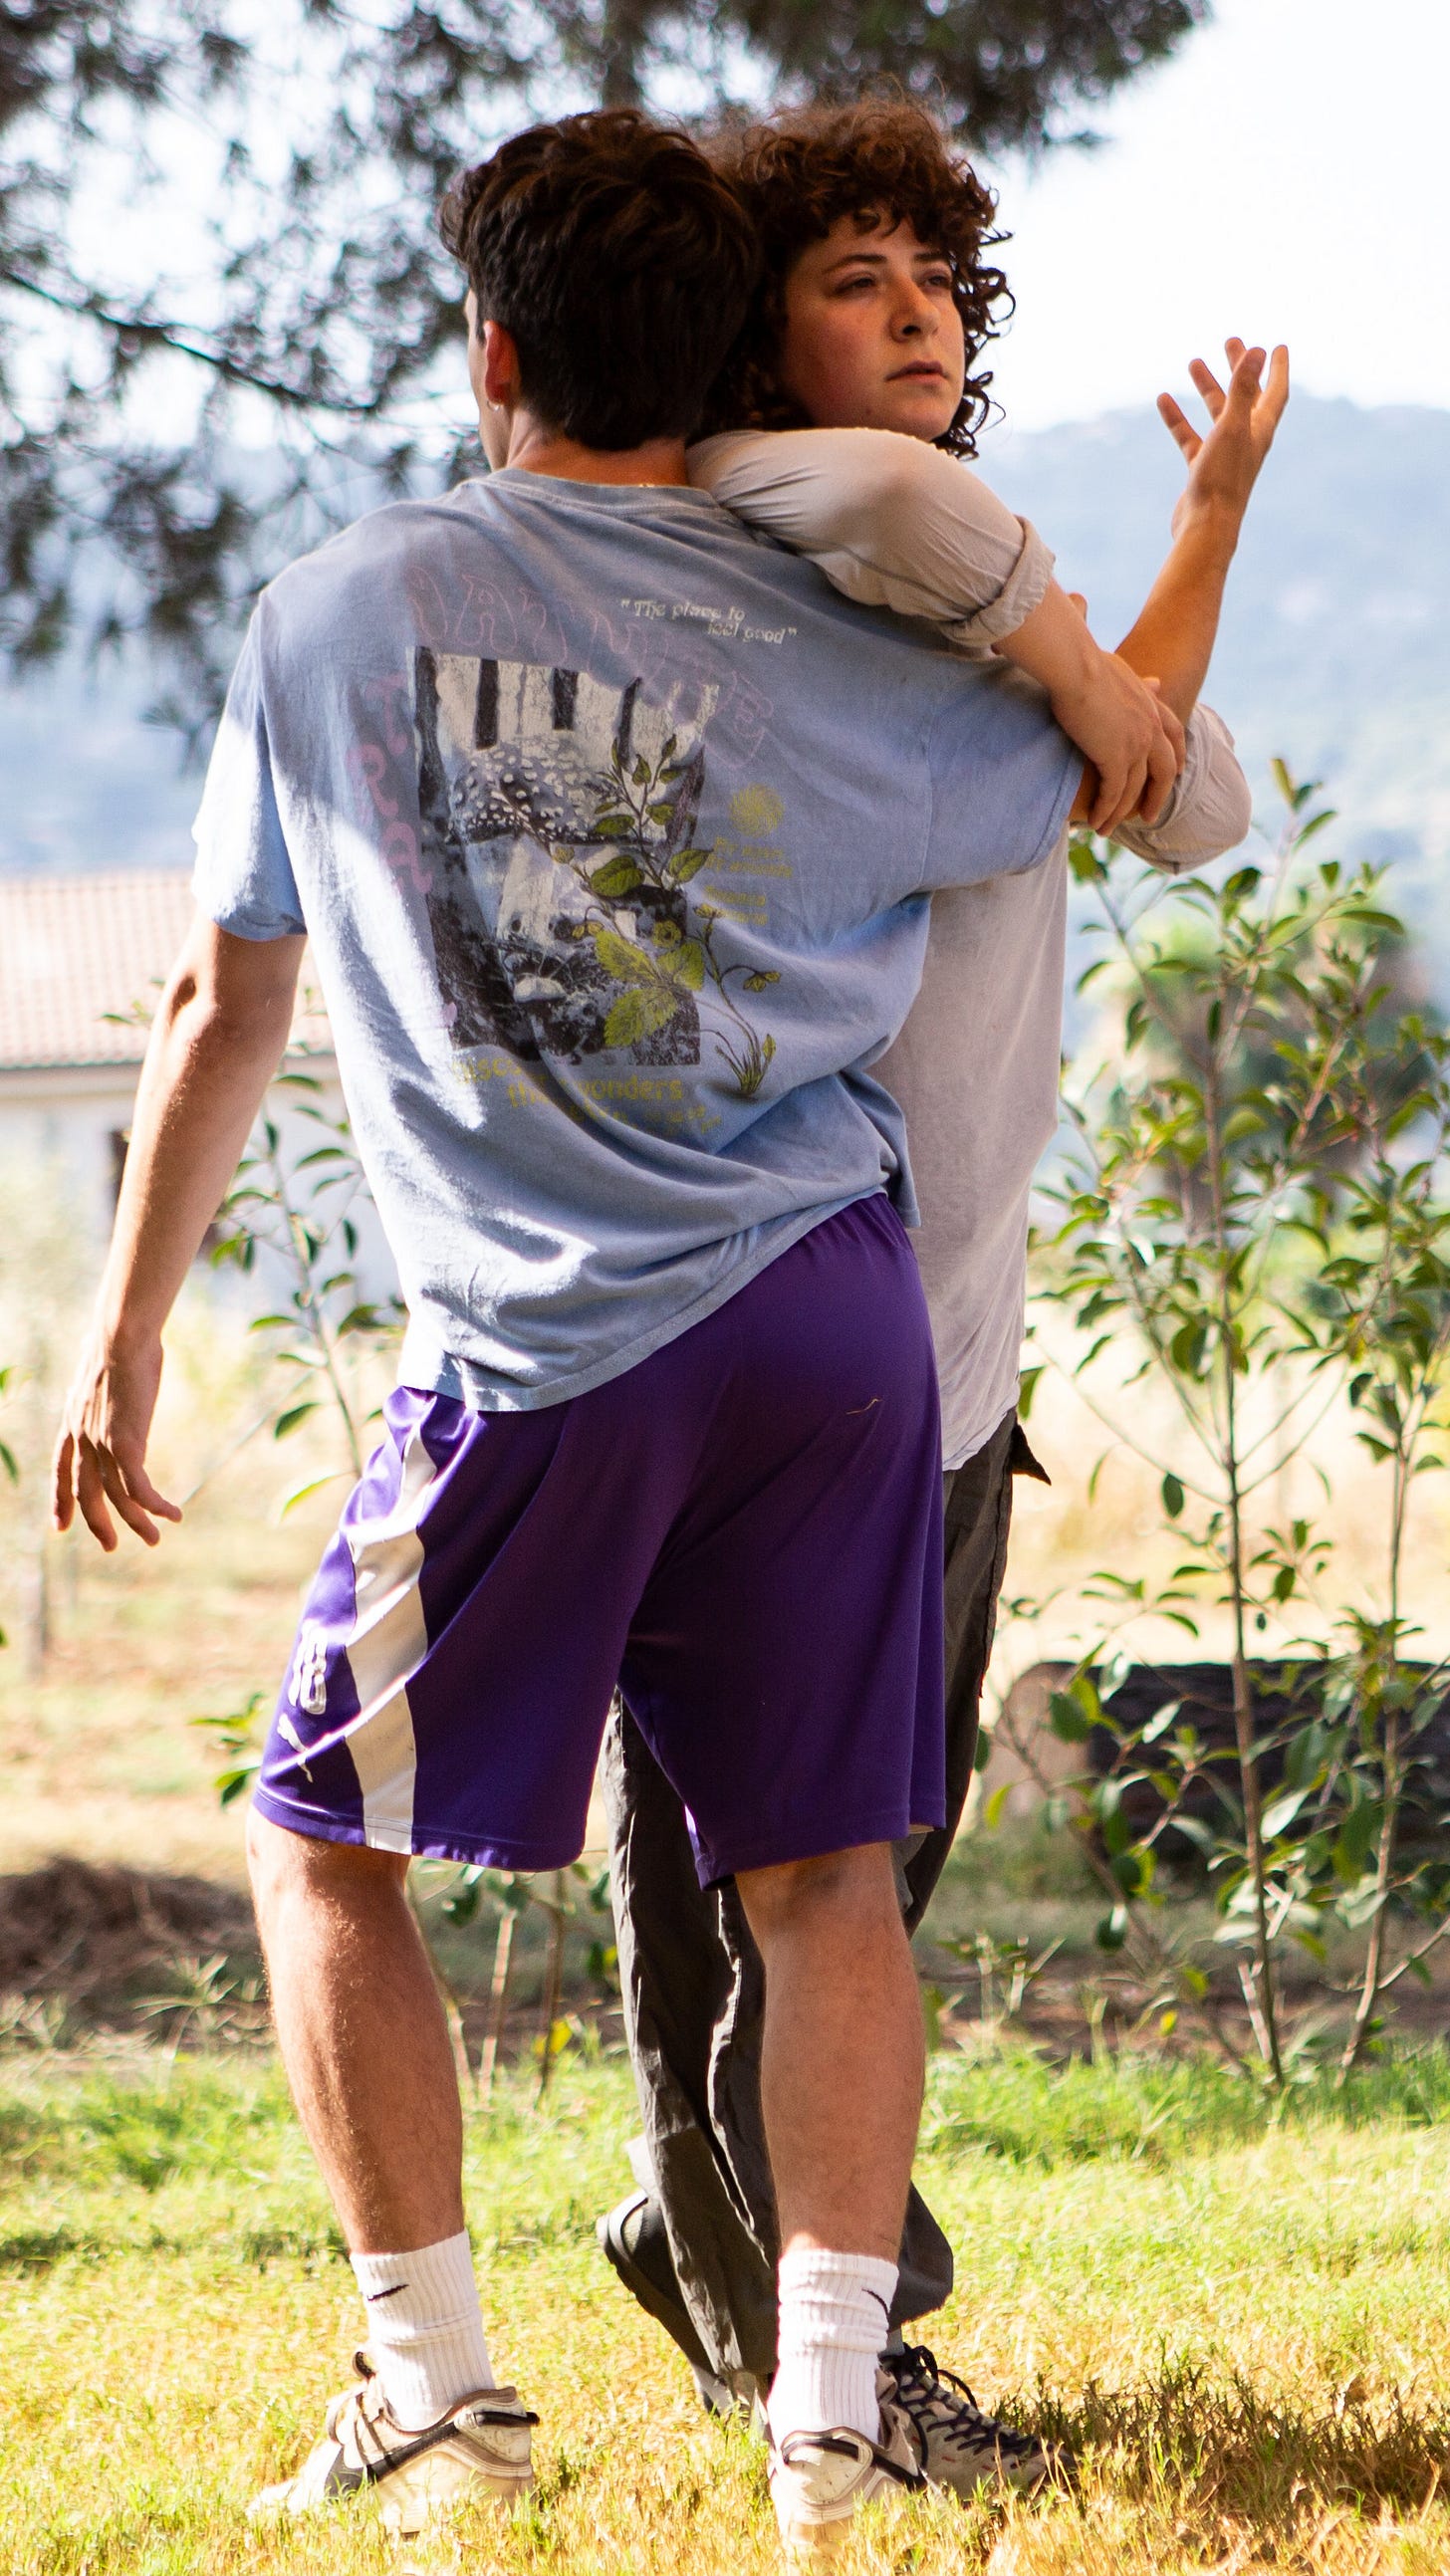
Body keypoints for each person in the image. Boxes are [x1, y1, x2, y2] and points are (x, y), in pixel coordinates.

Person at [52, 107, 1177, 2559]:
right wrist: (1084, 620)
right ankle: (834, 2416)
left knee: (321, 1847)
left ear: (491, 349)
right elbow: (1114, 777)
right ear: (728, 358)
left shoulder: (337, 608)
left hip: (545, 1345)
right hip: (838, 1328)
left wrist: (122, 1331)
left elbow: (223, 999)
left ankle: (435, 2392)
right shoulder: (848, 627)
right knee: (823, 1878)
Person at [595, 96, 1287, 2495]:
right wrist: (1084, 668)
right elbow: (1086, 705)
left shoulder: (953, 593)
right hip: (774, 1322)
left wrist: (1184, 549)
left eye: (937, 287)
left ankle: (728, 2231)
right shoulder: (764, 528)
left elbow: (1158, 790)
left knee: (855, 1858)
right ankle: (800, 2335)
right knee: (766, 1878)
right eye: (856, 278)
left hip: (943, 1336)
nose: (918, 319)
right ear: (746, 335)